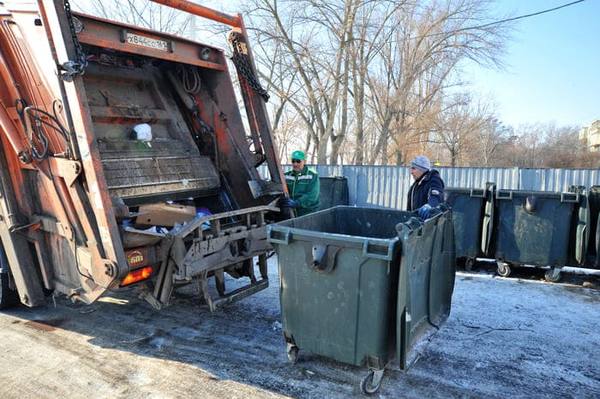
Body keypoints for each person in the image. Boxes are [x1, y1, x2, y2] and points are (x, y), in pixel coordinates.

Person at [281, 150, 320, 216]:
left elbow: (313, 195)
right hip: (291, 212)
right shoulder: (286, 176)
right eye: (293, 161)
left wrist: (298, 202)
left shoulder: (312, 175)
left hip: (308, 213)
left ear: (304, 162)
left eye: (298, 161)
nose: (295, 164)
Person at [406, 155, 444, 219]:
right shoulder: (414, 186)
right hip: (416, 225)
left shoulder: (434, 180)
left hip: (429, 226)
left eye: (413, 168)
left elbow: (436, 195)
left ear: (422, 169)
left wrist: (430, 205)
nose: (411, 172)